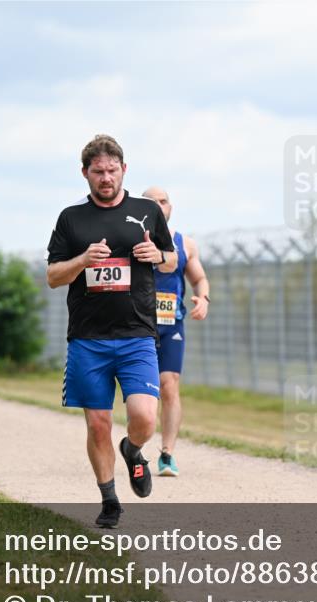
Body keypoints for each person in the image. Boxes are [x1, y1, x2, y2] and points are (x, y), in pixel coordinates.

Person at [46, 135, 178, 529]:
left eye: (112, 170)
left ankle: (133, 451)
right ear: (85, 173)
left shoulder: (146, 211)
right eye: (98, 171)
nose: (106, 178)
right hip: (88, 338)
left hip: (137, 334)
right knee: (98, 423)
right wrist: (83, 260)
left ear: (124, 169)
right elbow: (53, 276)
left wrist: (158, 255)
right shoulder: (71, 218)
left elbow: (171, 260)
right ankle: (109, 500)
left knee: (145, 417)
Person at [142, 187, 209, 477]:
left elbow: (200, 279)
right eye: (152, 202)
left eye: (164, 201)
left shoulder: (185, 244)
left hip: (171, 324)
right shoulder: (129, 241)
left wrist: (203, 299)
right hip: (137, 326)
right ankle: (134, 445)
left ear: (171, 207)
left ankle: (167, 454)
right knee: (143, 392)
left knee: (169, 384)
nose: (159, 206)